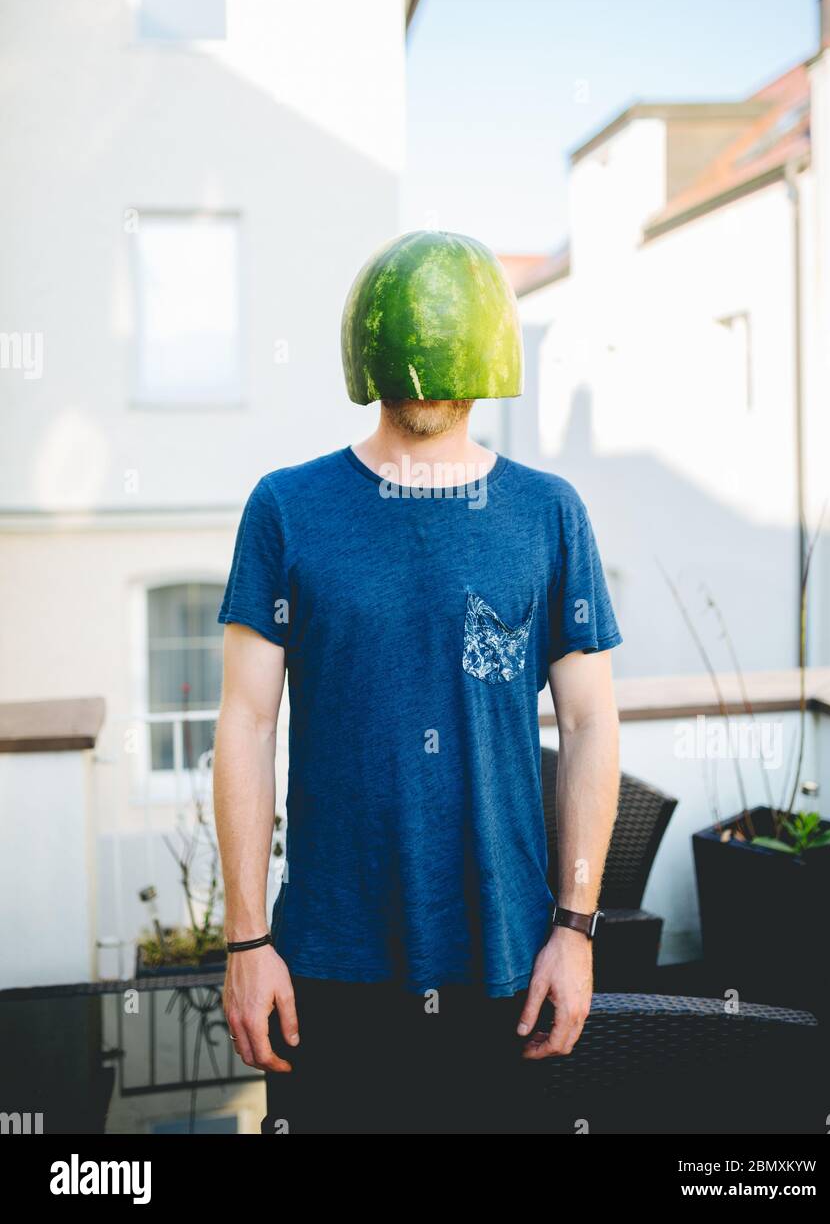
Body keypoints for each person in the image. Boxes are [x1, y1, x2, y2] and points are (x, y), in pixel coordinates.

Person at [214, 229, 622, 1134]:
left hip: (507, 962)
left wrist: (577, 929)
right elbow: (244, 723)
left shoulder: (550, 514)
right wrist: (246, 941)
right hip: (326, 961)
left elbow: (591, 723)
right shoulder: (286, 508)